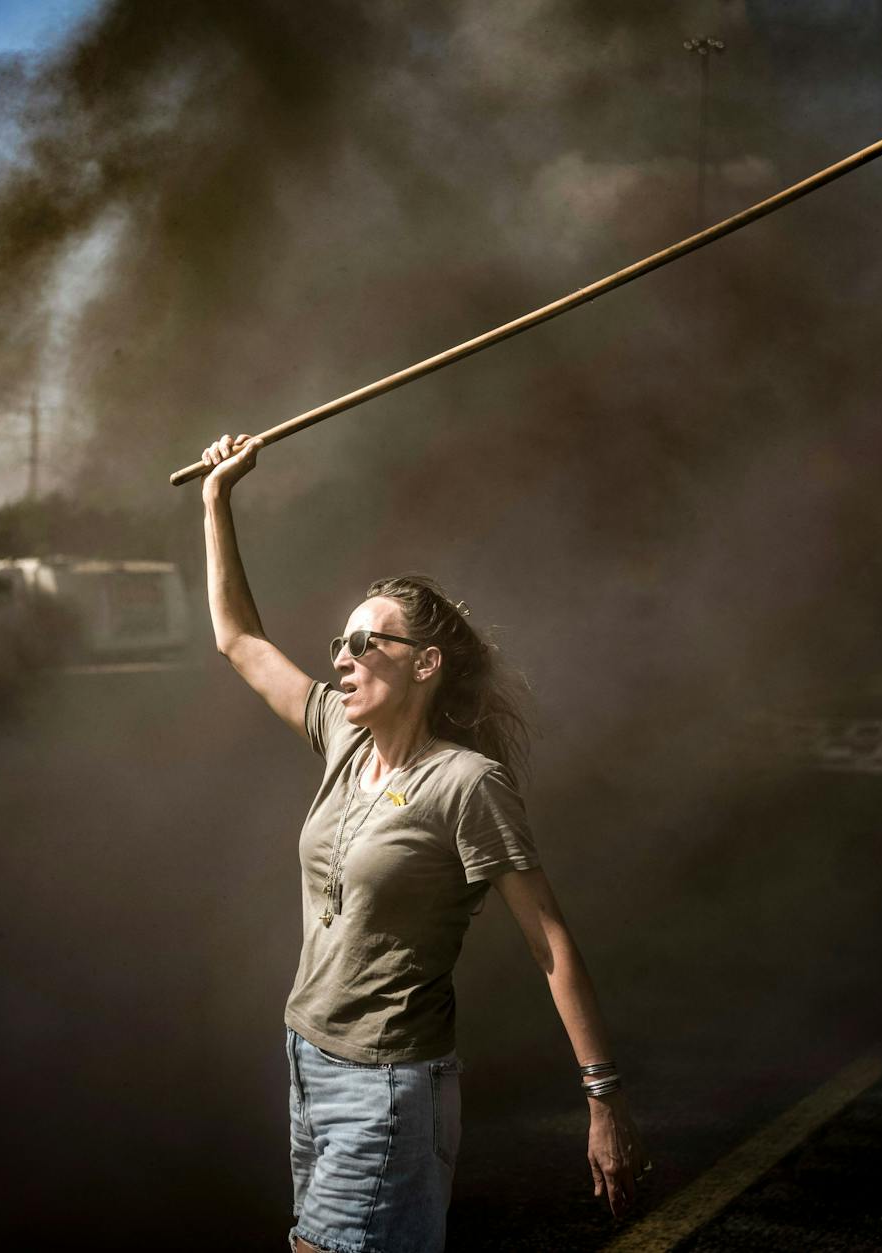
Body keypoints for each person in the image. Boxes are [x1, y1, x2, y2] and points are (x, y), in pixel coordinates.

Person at [196, 433, 647, 1252]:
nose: (342, 657)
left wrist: (603, 1098)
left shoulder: (466, 783)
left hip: (387, 1087)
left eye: (368, 642)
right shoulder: (343, 736)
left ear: (427, 663)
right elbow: (239, 640)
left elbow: (551, 942)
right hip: (307, 1059)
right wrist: (216, 501)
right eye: (340, 641)